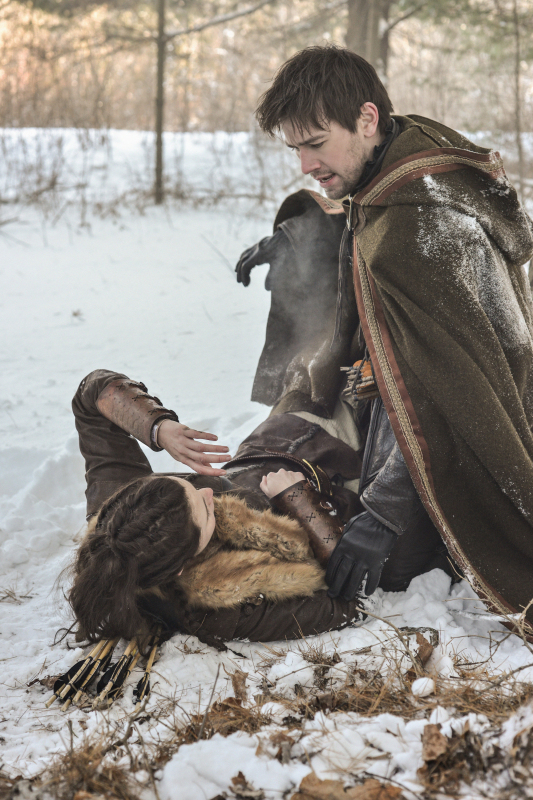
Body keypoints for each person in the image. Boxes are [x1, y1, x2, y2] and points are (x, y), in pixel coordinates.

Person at [236, 44, 533, 635]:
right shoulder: (405, 162)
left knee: (376, 563)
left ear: (367, 118)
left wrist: (382, 514)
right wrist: (299, 240)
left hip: (467, 440)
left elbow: (453, 396)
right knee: (290, 434)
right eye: (295, 147)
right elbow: (357, 222)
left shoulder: (419, 230)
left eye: (315, 143)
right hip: (400, 399)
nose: (304, 164)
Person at [70, 368, 373, 649]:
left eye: (187, 485)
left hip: (283, 430)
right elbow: (349, 603)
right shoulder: (224, 609)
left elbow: (90, 396)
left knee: (328, 360)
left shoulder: (119, 514)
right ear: (180, 566)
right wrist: (299, 500)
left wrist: (157, 427)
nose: (206, 492)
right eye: (205, 510)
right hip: (352, 475)